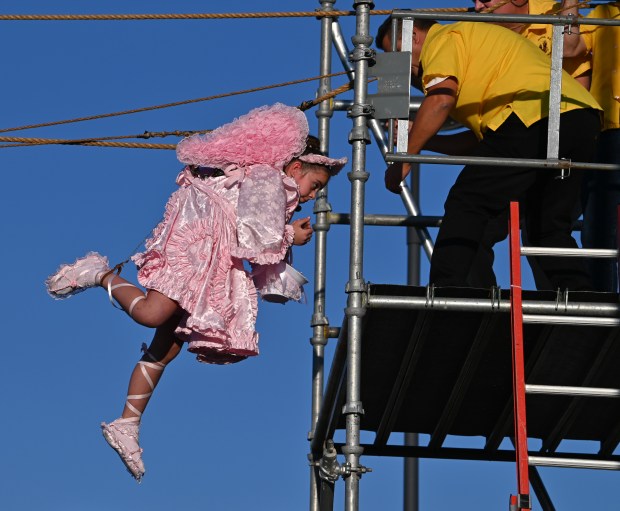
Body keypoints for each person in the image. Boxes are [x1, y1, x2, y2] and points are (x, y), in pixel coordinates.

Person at [45, 103, 347, 482]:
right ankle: (99, 273)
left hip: (212, 258)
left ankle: (128, 422)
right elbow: (255, 236)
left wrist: (286, 233)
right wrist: (290, 236)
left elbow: (253, 235)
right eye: (314, 186)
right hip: (197, 244)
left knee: (168, 345)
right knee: (154, 314)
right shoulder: (271, 181)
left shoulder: (271, 185)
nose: (311, 196)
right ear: (296, 168)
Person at [377, 17, 601, 290]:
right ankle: (580, 301)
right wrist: (424, 141)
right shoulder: (475, 49)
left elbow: (440, 100)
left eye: (395, 55)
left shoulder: (443, 39)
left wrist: (403, 158)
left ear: (413, 37)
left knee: (468, 202)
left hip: (532, 115)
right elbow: (480, 146)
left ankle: (451, 295)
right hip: (578, 117)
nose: (400, 69)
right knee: (547, 226)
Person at [564, 2, 620, 291]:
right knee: (598, 228)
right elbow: (569, 48)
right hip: (609, 132)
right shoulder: (602, 15)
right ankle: (602, 306)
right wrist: (570, 5)